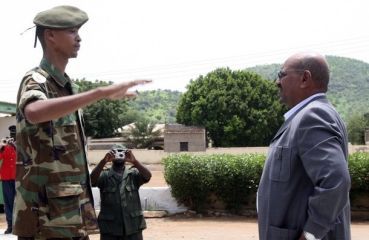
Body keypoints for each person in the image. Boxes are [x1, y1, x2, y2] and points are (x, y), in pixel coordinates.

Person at [13, 5, 151, 240]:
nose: (79, 38)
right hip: (44, 219)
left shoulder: (67, 86)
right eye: (71, 31)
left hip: (70, 215)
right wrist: (99, 93)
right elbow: (34, 112)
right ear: (51, 36)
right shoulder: (36, 79)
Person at [257, 52, 351, 240]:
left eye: (281, 74)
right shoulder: (309, 116)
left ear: (305, 78)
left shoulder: (313, 116)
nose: (277, 82)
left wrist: (310, 234)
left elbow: (336, 180)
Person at [90, 145, 151, 240]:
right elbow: (91, 181)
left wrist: (135, 161)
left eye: (121, 152)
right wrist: (103, 162)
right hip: (110, 229)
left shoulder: (133, 175)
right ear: (111, 156)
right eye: (115, 153)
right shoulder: (104, 176)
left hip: (133, 228)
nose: (119, 155)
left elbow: (148, 176)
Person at [0, 125, 16, 234]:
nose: (12, 136)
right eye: (11, 134)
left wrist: (15, 145)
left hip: (19, 178)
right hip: (6, 178)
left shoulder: (21, 145)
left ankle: (20, 225)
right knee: (8, 203)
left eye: (14, 134)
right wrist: (1, 145)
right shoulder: (4, 147)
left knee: (20, 203)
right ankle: (10, 225)